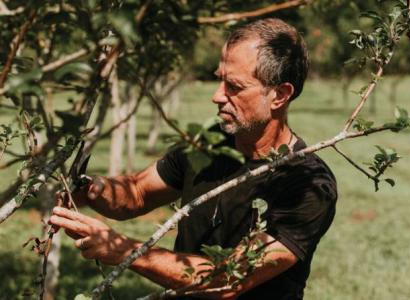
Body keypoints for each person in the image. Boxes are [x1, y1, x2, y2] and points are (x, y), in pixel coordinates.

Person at [50, 18, 337, 299]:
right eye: (219, 80)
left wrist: (123, 250)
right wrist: (90, 189)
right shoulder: (207, 144)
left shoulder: (308, 185)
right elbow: (137, 193)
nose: (217, 96)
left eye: (234, 87)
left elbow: (227, 280)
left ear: (279, 95)